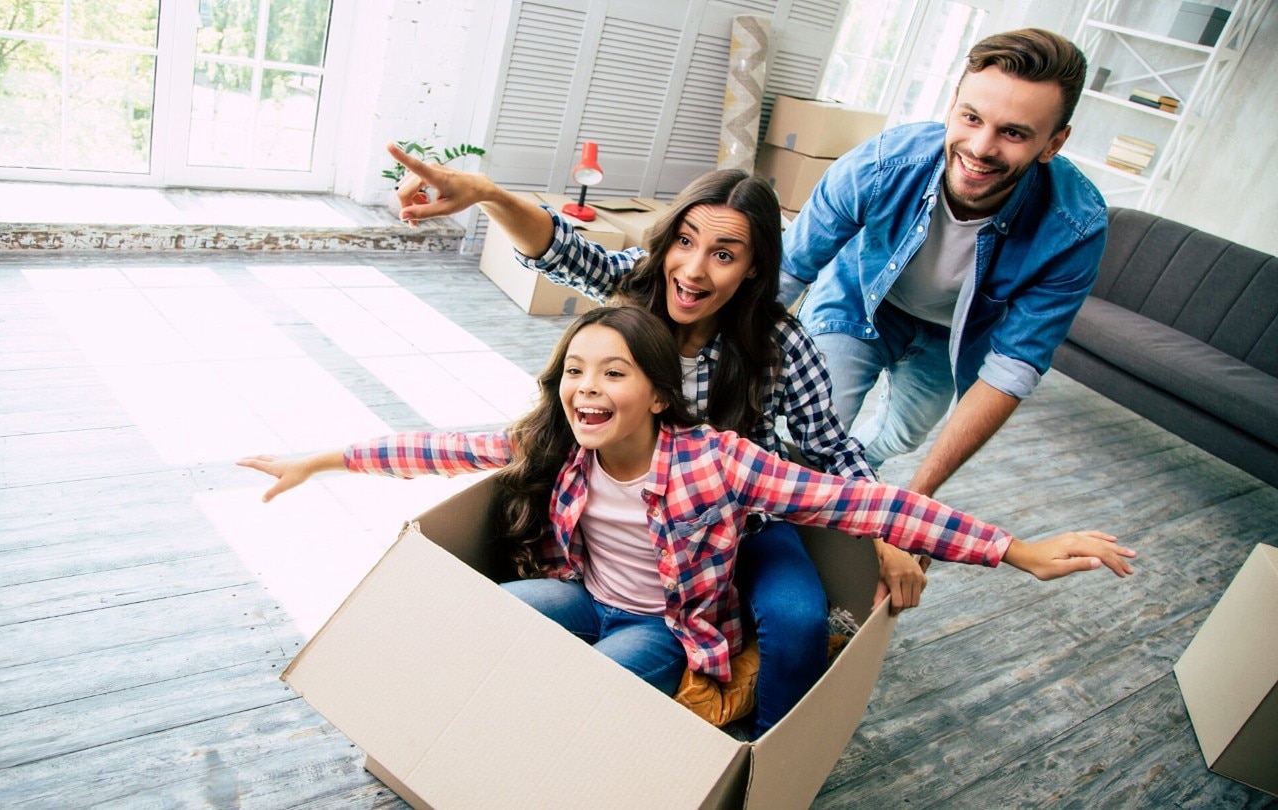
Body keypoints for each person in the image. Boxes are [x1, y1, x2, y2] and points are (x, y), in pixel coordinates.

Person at [237, 306, 1135, 709]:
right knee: (489, 628)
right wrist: (318, 459)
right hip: (579, 591)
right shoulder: (555, 442)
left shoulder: (716, 464)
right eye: (576, 372)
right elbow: (432, 448)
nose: (588, 390)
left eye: (613, 373)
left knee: (590, 695)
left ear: (659, 396)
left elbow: (853, 499)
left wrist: (1013, 548)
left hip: (667, 625)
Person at [387, 148, 927, 733]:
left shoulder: (778, 341)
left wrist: (890, 536)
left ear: (752, 269)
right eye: (685, 242)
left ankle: (758, 761)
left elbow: (828, 447)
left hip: (744, 526)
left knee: (799, 620)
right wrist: (487, 194)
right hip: (632, 536)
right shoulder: (636, 293)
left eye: (723, 255)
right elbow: (560, 248)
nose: (693, 271)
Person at [779, 28, 1107, 499]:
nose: (980, 148)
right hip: (858, 301)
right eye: (971, 118)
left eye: (1013, 133)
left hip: (952, 335)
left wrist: (917, 506)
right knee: (809, 435)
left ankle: (854, 476)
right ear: (953, 104)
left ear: (1053, 143)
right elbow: (788, 272)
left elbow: (1013, 368)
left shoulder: (1075, 228)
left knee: (904, 437)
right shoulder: (879, 165)